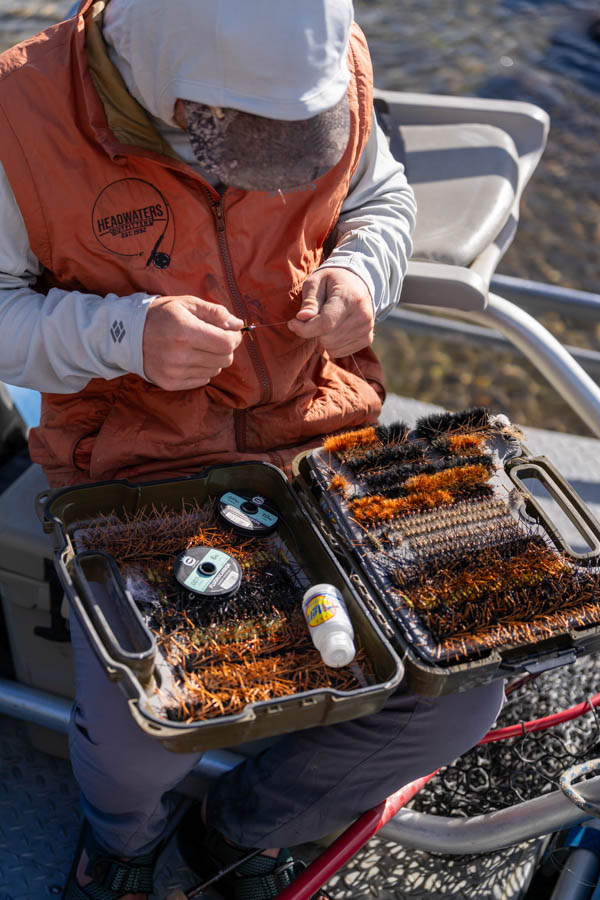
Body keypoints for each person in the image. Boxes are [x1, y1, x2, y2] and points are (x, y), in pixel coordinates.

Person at [0, 1, 505, 897]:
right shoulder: (17, 115)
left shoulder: (332, 60)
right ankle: (122, 844)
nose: (280, 165)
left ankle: (236, 832)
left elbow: (381, 199)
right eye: (248, 136)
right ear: (170, 83)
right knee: (137, 739)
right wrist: (125, 336)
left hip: (320, 440)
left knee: (461, 694)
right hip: (137, 465)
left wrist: (361, 275)